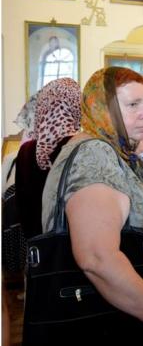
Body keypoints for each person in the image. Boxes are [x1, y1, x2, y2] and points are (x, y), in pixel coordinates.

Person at [41, 67, 143, 346]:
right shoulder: (93, 154)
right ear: (102, 108)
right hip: (108, 328)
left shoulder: (112, 152)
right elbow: (97, 257)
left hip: (122, 319)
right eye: (132, 105)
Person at [15, 78, 81, 239]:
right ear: (76, 107)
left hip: (38, 245)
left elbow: (22, 206)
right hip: (73, 245)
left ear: (42, 107)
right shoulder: (82, 146)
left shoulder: (26, 150)